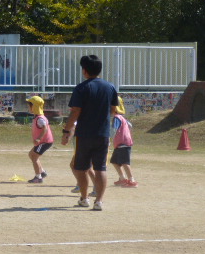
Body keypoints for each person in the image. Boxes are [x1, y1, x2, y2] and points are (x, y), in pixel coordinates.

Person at [61, 55, 118, 211]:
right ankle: (99, 201)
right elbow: (113, 110)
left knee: (81, 167)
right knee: (100, 168)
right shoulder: (110, 87)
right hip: (103, 133)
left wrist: (66, 131)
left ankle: (84, 198)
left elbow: (75, 112)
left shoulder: (81, 88)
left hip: (84, 134)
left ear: (84, 71)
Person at [110, 96, 138, 187]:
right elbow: (130, 126)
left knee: (125, 162)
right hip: (120, 144)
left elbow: (114, 130)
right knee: (114, 161)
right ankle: (122, 178)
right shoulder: (123, 118)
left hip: (123, 143)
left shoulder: (117, 117)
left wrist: (108, 138)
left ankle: (132, 180)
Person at [26, 96, 54, 183]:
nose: (28, 107)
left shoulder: (40, 118)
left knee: (34, 157)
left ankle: (38, 177)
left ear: (34, 107)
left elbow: (45, 128)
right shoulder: (38, 117)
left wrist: (39, 138)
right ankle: (42, 172)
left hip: (44, 142)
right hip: (43, 142)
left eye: (29, 105)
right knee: (31, 154)